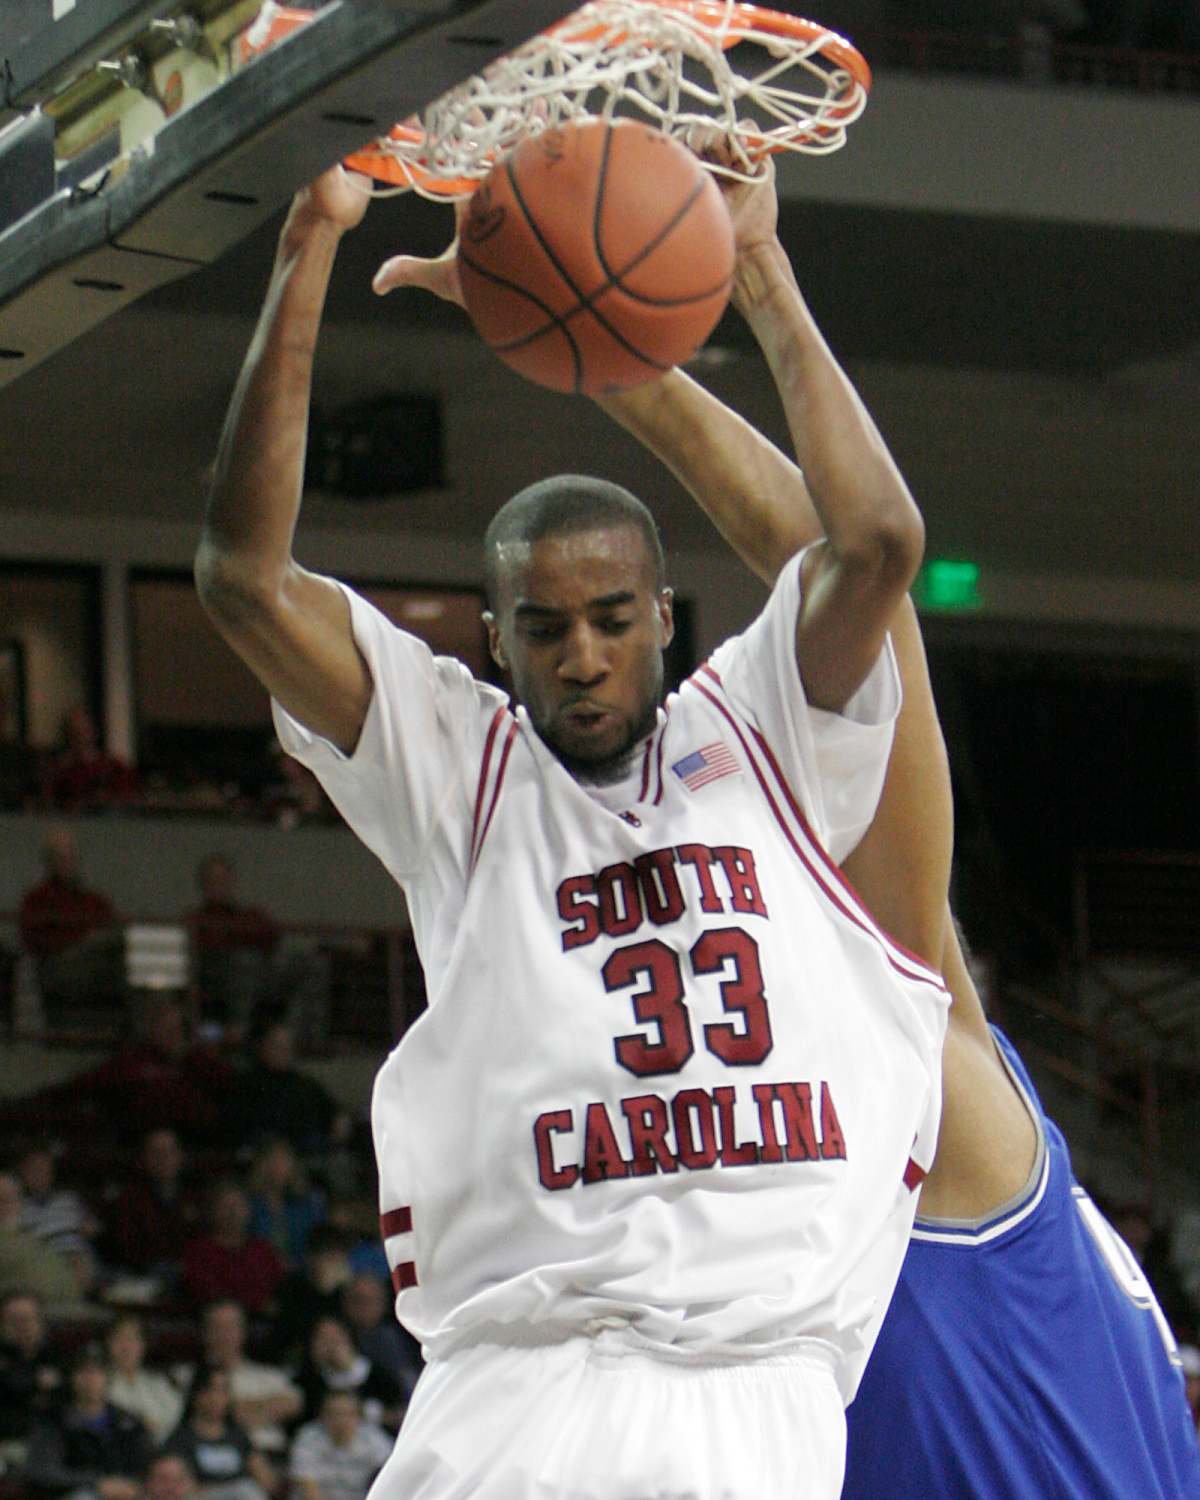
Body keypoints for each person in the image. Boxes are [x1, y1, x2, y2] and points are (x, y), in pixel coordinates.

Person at [193, 157, 948, 1500]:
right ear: (497, 642)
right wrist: (306, 240)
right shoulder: (462, 770)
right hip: (512, 1387)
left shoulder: (768, 726)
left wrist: (760, 273)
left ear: (666, 617)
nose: (583, 659)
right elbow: (245, 580)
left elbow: (878, 544)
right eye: (543, 631)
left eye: (612, 621)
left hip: (749, 1382)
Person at [586, 151, 1200, 1500]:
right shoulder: (922, 1111)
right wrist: (691, 322)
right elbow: (854, 579)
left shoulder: (926, 1085)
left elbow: (861, 573)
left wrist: (656, 341)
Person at [18, 827, 123, 1028]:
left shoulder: (94, 900)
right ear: (49, 862)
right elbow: (33, 939)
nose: (67, 863)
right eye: (60, 857)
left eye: (71, 856)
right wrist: (80, 940)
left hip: (99, 962)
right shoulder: (37, 899)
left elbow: (112, 926)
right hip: (60, 966)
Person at [24, 1342, 153, 1500]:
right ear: (73, 1377)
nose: (90, 1379)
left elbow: (145, 1467)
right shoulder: (54, 1420)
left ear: (108, 1377)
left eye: (97, 1372)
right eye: (83, 1372)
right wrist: (96, 1483)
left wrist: (127, 1486)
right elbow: (41, 1471)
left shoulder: (126, 1422)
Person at [193, 1301, 302, 1457]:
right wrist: (263, 1406)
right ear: (204, 1333)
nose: (225, 1334)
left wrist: (226, 1411)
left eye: (232, 1327)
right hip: (215, 1458)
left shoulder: (270, 1376)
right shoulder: (186, 1377)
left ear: (243, 1331)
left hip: (271, 1454)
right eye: (217, 1327)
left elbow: (292, 1405)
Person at [101, 1128, 203, 1281]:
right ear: (145, 1158)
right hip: (142, 1277)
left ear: (180, 1156)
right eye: (156, 1152)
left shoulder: (195, 1197)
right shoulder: (129, 1199)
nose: (163, 1158)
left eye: (169, 1151)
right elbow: (126, 1248)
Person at [165, 1364, 275, 1500]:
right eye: (212, 1390)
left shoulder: (238, 1436)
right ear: (197, 1394)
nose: (216, 1398)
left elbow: (265, 1480)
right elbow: (182, 1488)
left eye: (223, 1391)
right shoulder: (180, 1439)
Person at [181, 1181, 287, 1316]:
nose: (233, 1212)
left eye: (238, 1205)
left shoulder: (262, 1249)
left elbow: (277, 1288)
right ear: (212, 1211)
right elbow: (204, 1293)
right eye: (226, 1206)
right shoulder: (200, 1252)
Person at [293, 1315, 403, 1430]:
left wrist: (348, 1369)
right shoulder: (306, 1379)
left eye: (336, 1339)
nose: (331, 1346)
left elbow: (395, 1413)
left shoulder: (378, 1376)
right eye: (324, 1339)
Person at [0, 1171, 84, 1309]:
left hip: (62, 1311)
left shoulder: (35, 1240)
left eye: (10, 1199)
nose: (4, 1206)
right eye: (1, 1199)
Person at [287, 1392, 391, 1500]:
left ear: (358, 1417)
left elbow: (388, 1480)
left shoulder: (375, 1440)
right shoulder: (308, 1439)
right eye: (333, 1414)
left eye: (347, 1414)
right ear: (321, 1416)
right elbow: (308, 1490)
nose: (340, 1420)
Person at [104, 1317, 184, 1448]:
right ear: (109, 1343)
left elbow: (174, 1420)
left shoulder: (159, 1384)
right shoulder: (99, 1383)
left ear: (143, 1345)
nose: (126, 1347)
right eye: (119, 1338)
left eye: (132, 1339)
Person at [0, 1293, 67, 1444]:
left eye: (27, 1319)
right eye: (13, 1320)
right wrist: (36, 1382)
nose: (22, 1327)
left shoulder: (56, 1357)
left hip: (52, 1444)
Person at [47, 706, 139, 813]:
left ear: (93, 732)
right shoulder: (63, 773)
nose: (80, 737)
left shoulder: (114, 768)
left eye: (84, 731)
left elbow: (129, 800)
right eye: (75, 732)